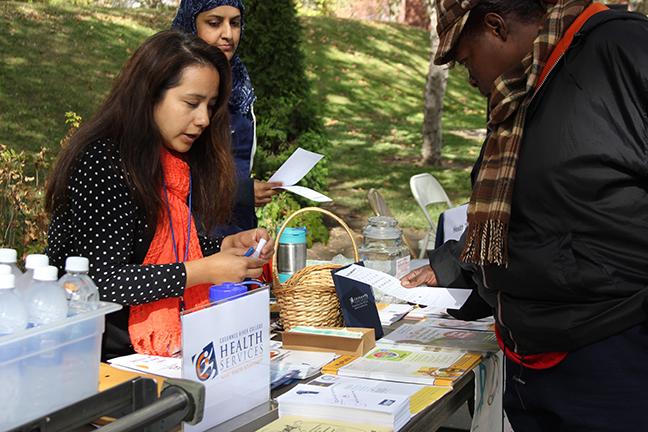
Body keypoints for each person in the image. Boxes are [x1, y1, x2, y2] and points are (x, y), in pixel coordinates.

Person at [401, 0, 648, 429]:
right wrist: (458, 266)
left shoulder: (623, 48)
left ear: (495, 27)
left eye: (465, 58)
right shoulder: (521, 90)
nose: (468, 74)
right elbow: (532, 218)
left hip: (615, 360)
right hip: (534, 366)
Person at [45, 30, 273, 360]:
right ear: (150, 95)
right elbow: (101, 280)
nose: (203, 119)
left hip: (149, 354)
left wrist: (223, 247)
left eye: (210, 106)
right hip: (89, 356)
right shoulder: (102, 161)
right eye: (192, 103)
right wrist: (204, 270)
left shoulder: (171, 164)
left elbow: (151, 244)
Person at [172, 0, 281, 237]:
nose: (228, 34)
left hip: (236, 228)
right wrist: (239, 192)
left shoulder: (240, 83)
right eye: (214, 23)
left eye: (235, 23)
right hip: (192, 236)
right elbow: (168, 177)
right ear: (190, 24)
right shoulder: (172, 81)